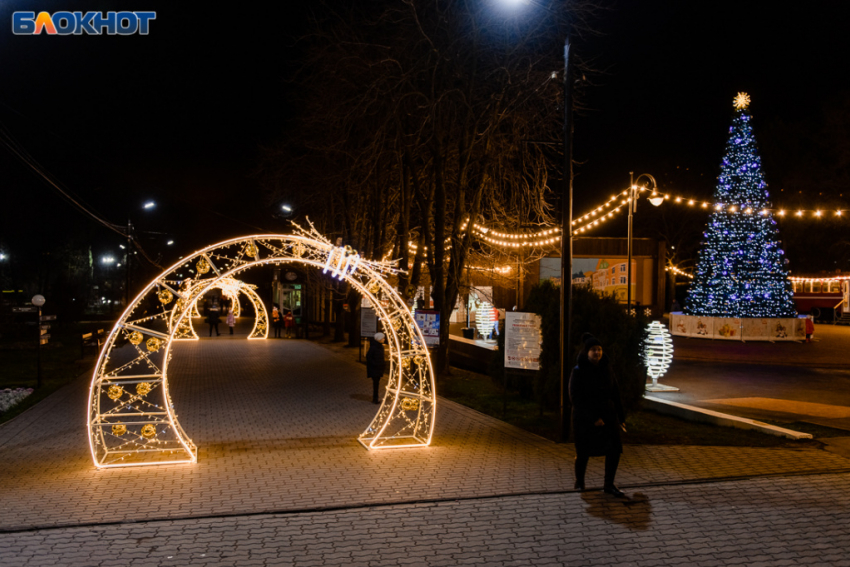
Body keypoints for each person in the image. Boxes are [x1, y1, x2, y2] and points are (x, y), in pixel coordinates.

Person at [569, 333, 627, 498]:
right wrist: (593, 418)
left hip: (608, 416)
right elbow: (576, 398)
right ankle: (580, 482)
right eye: (593, 350)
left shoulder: (606, 369)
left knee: (614, 450)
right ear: (587, 352)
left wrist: (621, 417)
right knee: (583, 452)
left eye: (599, 350)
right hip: (585, 420)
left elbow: (615, 393)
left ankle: (609, 485)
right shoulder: (578, 371)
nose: (597, 353)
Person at [366, 332, 386, 404]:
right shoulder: (374, 347)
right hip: (375, 368)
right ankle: (375, 398)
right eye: (383, 338)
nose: (384, 339)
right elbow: (368, 357)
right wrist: (375, 364)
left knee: (377, 383)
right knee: (376, 383)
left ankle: (376, 398)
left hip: (379, 367)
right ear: (379, 339)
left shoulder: (380, 346)